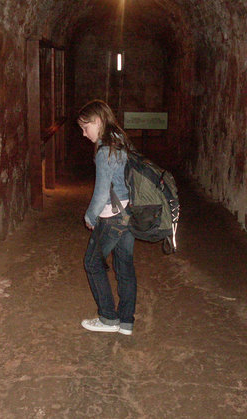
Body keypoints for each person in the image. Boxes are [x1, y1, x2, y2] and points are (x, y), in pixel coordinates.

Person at [77, 100, 137, 336]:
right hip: (128, 213)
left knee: (92, 263)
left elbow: (102, 192)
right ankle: (126, 321)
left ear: (98, 121)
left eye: (85, 127)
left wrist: (90, 216)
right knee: (125, 266)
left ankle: (108, 318)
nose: (84, 134)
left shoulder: (105, 151)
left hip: (111, 217)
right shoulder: (121, 141)